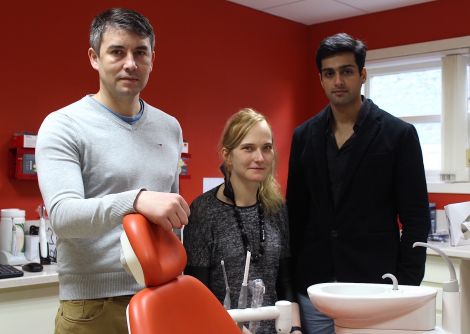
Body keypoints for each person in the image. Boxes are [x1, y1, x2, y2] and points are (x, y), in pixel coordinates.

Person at [35, 8, 190, 334]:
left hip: (161, 294)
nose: (130, 63)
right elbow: (63, 217)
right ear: (94, 57)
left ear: (152, 59)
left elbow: (169, 219)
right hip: (94, 307)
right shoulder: (63, 125)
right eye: (117, 52)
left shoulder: (170, 128)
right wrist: (137, 200)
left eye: (140, 52)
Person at [286, 33, 430, 334]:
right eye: (330, 73)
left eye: (346, 71)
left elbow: (416, 220)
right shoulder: (304, 136)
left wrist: (404, 287)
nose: (338, 81)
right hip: (316, 288)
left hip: (375, 287)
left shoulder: (398, 135)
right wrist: (292, 282)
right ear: (321, 79)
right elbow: (295, 216)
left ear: (362, 74)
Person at [183, 108, 302, 334]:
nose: (259, 157)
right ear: (228, 155)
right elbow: (196, 295)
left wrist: (295, 329)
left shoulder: (275, 208)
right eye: (248, 148)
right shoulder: (203, 211)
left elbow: (286, 284)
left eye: (266, 148)